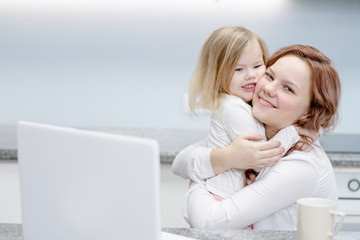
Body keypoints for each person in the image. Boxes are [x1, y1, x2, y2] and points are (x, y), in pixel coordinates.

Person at [172, 44, 341, 230]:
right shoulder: (253, 129)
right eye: (269, 76)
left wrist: (198, 181)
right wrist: (229, 157)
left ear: (309, 112)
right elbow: (181, 163)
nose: (269, 88)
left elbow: (209, 223)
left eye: (288, 89)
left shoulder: (302, 165)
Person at [187, 26, 301, 201]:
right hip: (224, 198)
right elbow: (265, 157)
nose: (251, 75)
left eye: (257, 66)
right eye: (238, 69)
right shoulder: (234, 108)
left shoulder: (240, 105)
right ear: (216, 75)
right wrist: (295, 131)